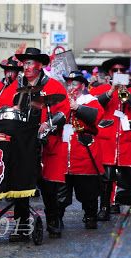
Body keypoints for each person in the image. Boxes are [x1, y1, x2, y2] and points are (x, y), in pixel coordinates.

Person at [0, 47, 70, 241]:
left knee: (48, 185)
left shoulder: (54, 86)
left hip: (46, 143)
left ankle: (53, 221)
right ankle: (21, 226)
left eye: (28, 63)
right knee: (20, 185)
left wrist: (48, 125)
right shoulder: (14, 86)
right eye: (23, 63)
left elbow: (64, 111)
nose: (24, 67)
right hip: (20, 144)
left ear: (39, 65)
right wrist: (11, 108)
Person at [89, 57, 131, 220]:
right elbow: (91, 107)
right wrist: (111, 92)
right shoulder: (100, 89)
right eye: (114, 71)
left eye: (121, 71)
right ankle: (104, 208)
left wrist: (126, 93)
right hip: (107, 141)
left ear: (127, 73)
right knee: (106, 178)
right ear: (109, 73)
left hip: (130, 141)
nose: (118, 73)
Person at [47, 71, 105, 233]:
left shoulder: (91, 101)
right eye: (69, 83)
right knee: (61, 189)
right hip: (64, 148)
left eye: (74, 83)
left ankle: (90, 216)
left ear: (83, 86)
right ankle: (57, 217)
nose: (71, 87)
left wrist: (77, 107)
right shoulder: (60, 101)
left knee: (88, 189)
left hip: (84, 149)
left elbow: (97, 117)